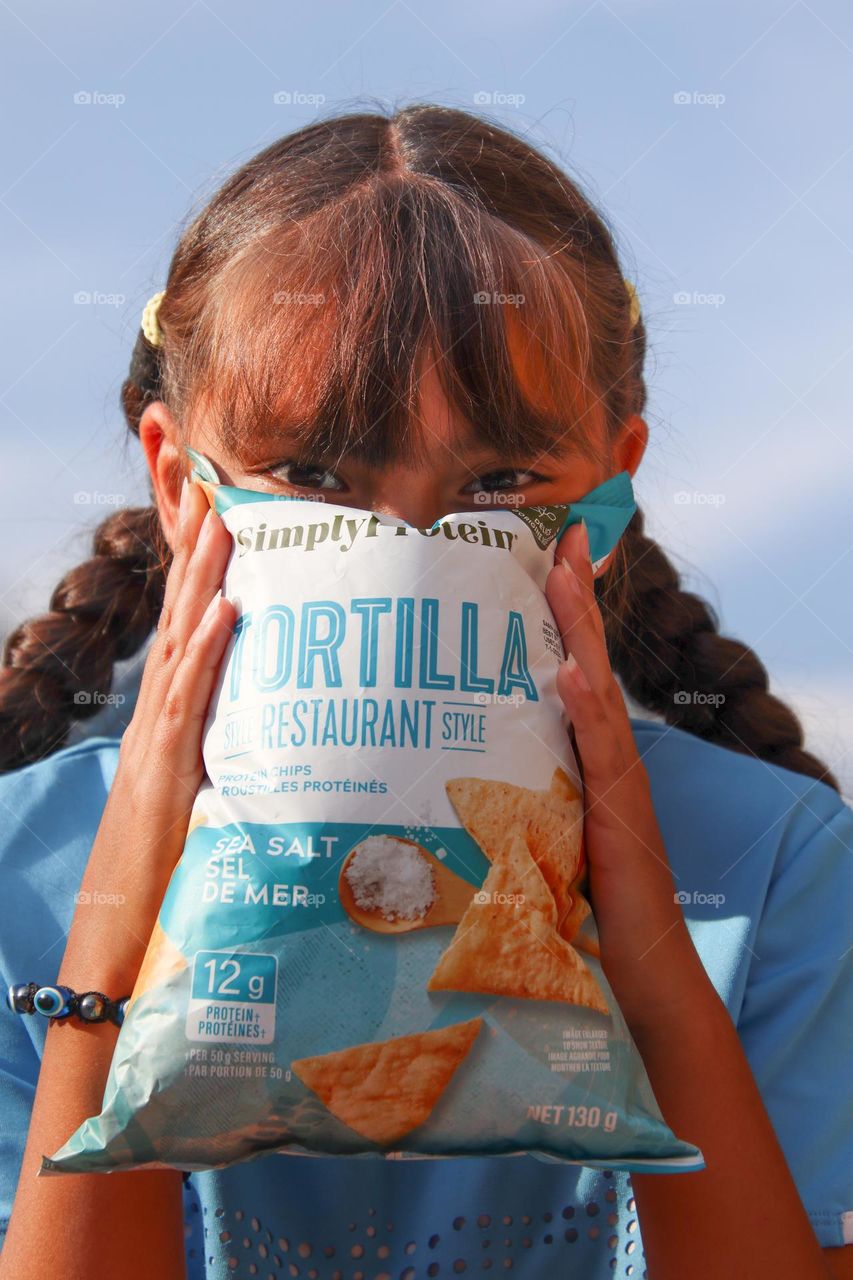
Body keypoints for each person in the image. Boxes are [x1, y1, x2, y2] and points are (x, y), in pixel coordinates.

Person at [0, 104, 850, 1280]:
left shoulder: (769, 867)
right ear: (179, 483)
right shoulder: (20, 880)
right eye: (309, 474)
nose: (402, 548)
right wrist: (113, 955)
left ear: (607, 493)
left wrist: (655, 975)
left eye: (500, 480)